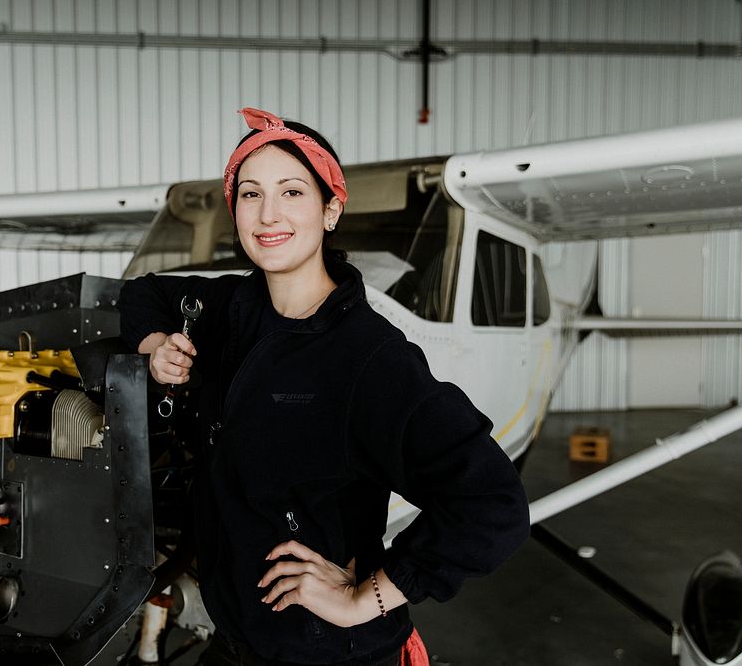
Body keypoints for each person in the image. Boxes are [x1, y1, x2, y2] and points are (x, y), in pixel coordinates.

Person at [118, 108, 529, 665]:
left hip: (323, 651)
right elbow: (143, 292)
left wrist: (366, 598)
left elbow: (491, 503)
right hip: (238, 638)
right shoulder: (233, 306)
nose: (267, 214)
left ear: (331, 210)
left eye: (291, 192)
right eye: (249, 194)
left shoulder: (368, 357)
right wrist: (155, 345)